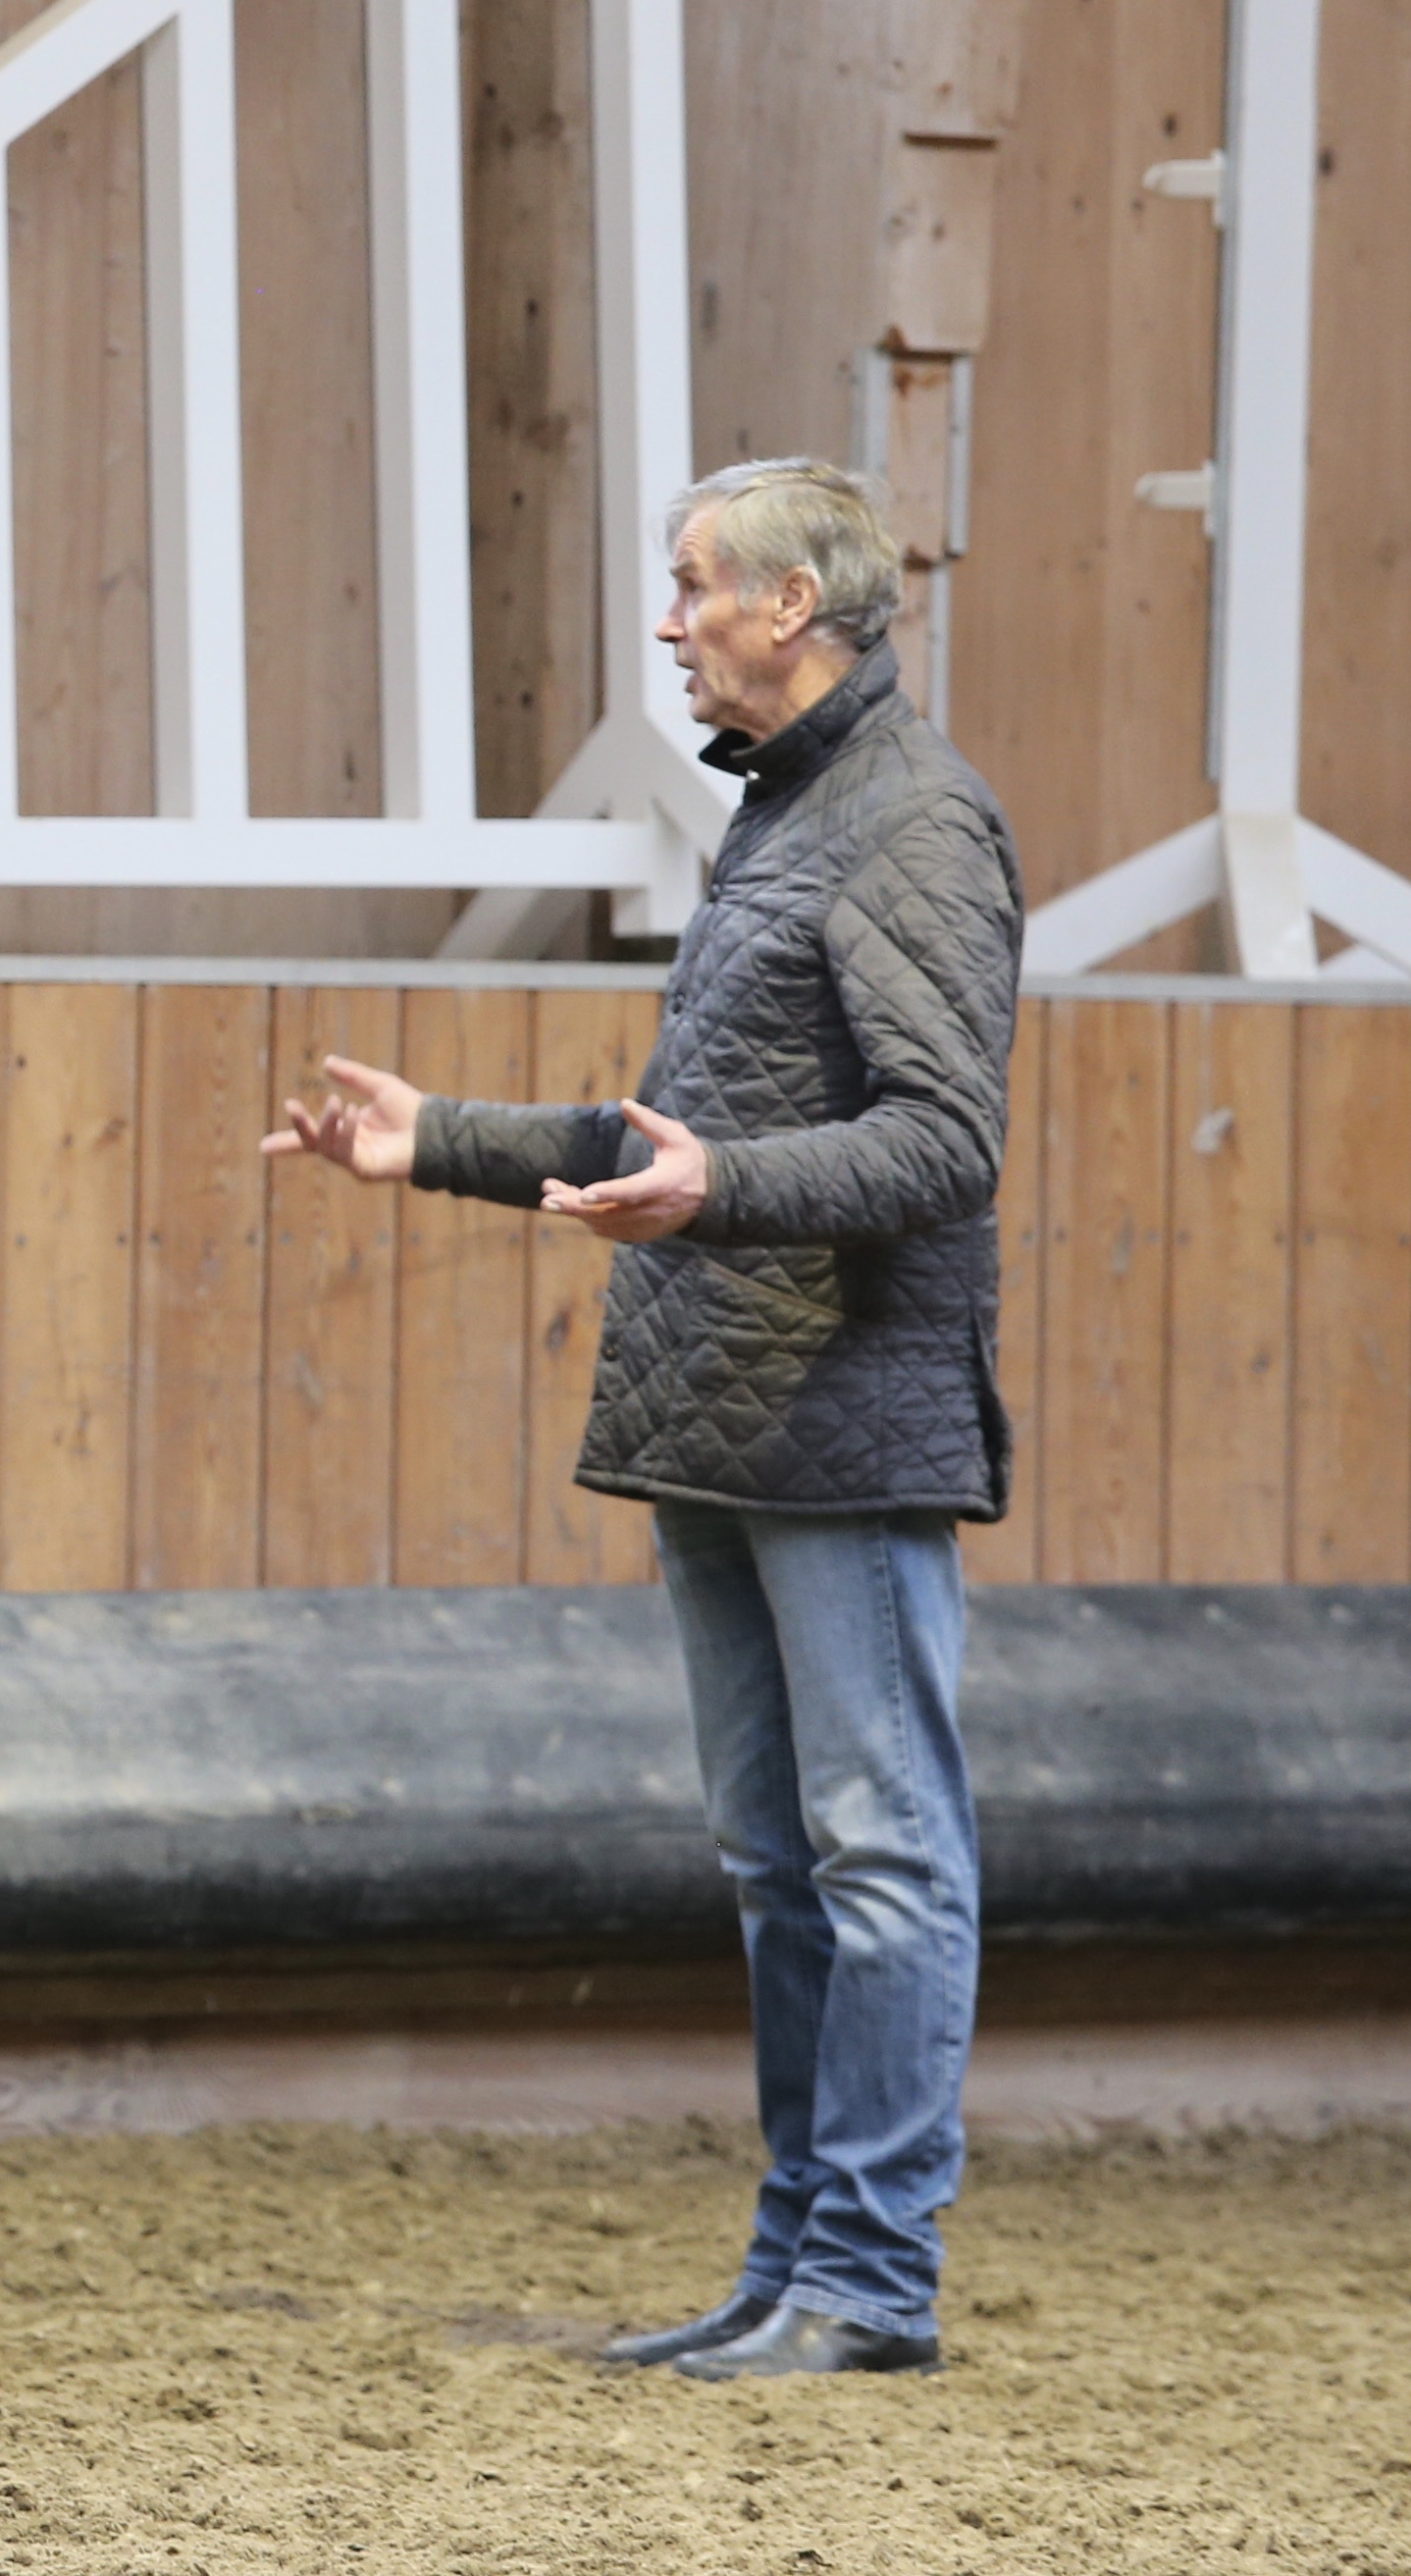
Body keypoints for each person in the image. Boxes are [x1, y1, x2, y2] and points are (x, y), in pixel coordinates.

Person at [268, 459, 1019, 2381]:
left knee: (880, 1850)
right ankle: (797, 2270)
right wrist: (432, 1142)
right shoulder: (784, 820)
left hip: (838, 1421)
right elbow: (685, 1141)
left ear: (795, 608)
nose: (670, 620)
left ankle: (868, 2283)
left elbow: (940, 1142)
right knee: (786, 1862)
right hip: (724, 1417)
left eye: (694, 587)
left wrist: (718, 1195)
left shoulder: (913, 825)